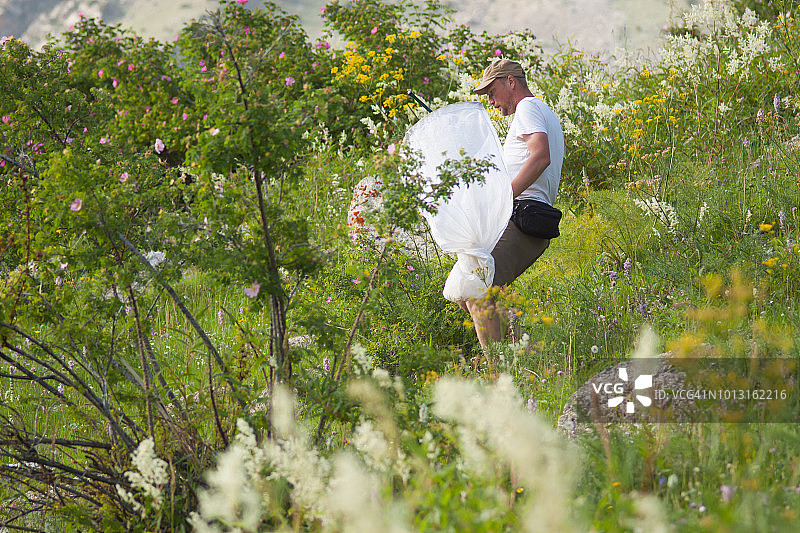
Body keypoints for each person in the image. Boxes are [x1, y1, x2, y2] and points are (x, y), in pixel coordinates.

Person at [459, 58, 565, 349]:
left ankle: (499, 379)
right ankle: (527, 354)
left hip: (522, 218)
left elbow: (541, 156)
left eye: (491, 92)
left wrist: (504, 196)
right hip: (527, 221)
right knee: (463, 290)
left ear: (510, 81)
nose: (491, 102)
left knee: (476, 294)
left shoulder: (528, 108)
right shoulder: (543, 113)